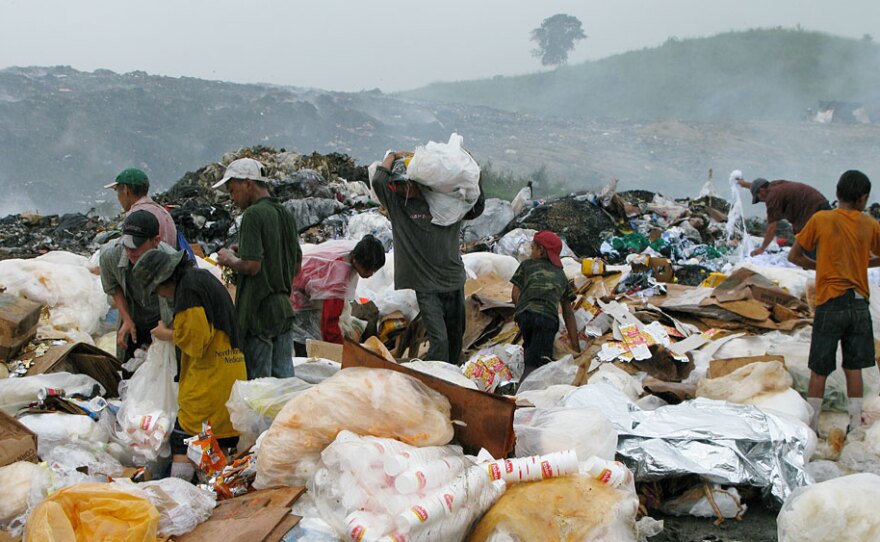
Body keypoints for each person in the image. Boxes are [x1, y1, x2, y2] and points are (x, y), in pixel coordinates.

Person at [132, 248, 247, 481]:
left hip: (210, 379)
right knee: (218, 442)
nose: (161, 295)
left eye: (157, 290)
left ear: (165, 280)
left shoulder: (188, 292)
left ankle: (179, 489)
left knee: (185, 437)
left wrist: (165, 333)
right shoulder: (200, 279)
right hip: (229, 372)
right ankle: (218, 486)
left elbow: (196, 341)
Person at [370, 151, 484, 364]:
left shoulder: (446, 203)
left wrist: (473, 169)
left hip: (453, 280)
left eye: (405, 184)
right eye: (398, 185)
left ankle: (451, 376)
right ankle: (431, 376)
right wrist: (393, 156)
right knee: (439, 341)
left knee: (455, 338)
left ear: (418, 182)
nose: (402, 189)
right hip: (426, 286)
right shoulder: (399, 206)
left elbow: (476, 206)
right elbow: (378, 180)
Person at [788, 170, 880, 433]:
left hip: (830, 302)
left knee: (819, 369)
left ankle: (812, 426)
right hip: (859, 304)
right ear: (863, 198)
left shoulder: (821, 219)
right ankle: (855, 424)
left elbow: (794, 256)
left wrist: (818, 265)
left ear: (838, 193)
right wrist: (861, 263)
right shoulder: (870, 224)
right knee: (854, 367)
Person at [213, 158, 301, 379]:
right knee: (284, 381)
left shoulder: (253, 215)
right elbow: (296, 264)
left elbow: (252, 266)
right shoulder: (285, 214)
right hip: (283, 311)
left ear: (248, 183)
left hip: (258, 313)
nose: (232, 198)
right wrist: (246, 252)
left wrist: (229, 259)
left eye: (233, 190)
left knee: (259, 387)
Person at [99, 210, 177, 366]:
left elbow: (179, 304)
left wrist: (164, 334)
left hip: (164, 320)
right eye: (126, 246)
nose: (130, 252)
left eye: (136, 246)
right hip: (135, 318)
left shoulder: (171, 262)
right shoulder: (110, 256)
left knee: (163, 368)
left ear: (156, 240)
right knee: (129, 368)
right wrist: (126, 318)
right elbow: (113, 286)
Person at [289, 236, 386, 353]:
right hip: (296, 298)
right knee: (307, 344)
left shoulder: (354, 250)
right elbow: (329, 323)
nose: (371, 274)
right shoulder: (337, 276)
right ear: (358, 261)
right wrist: (340, 352)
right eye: (369, 269)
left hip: (301, 285)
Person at [510, 230, 581, 379]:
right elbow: (568, 313)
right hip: (547, 320)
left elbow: (515, 293)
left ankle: (524, 385)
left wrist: (519, 312)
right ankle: (526, 388)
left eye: (532, 248)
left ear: (541, 250)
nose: (530, 252)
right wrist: (576, 347)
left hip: (525, 315)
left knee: (530, 351)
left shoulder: (526, 265)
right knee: (539, 363)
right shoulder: (561, 275)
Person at [734, 172, 831, 257]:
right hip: (822, 205)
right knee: (826, 240)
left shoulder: (772, 197)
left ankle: (818, 267)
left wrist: (762, 249)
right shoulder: (774, 185)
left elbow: (772, 227)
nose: (762, 201)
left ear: (762, 191)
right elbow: (757, 186)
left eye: (758, 198)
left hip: (814, 212)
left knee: (805, 244)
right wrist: (744, 184)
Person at [105, 168, 178, 247]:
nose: (118, 198)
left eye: (117, 191)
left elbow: (129, 248)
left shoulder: (137, 216)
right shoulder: (164, 212)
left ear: (126, 190)